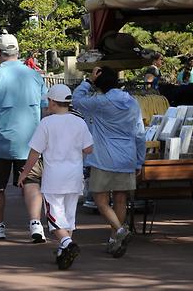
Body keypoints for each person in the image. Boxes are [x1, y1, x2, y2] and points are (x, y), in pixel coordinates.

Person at [0, 33, 48, 241]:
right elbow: (45, 109)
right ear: (17, 52)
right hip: (30, 142)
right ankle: (36, 224)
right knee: (31, 182)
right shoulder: (35, 76)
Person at [18, 84, 94, 270]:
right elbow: (88, 149)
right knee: (68, 217)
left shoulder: (46, 123)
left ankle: (67, 244)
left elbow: (34, 153)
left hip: (54, 178)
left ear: (52, 102)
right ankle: (64, 251)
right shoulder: (79, 122)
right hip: (74, 176)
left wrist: (25, 173)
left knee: (54, 218)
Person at [72, 66, 145, 258]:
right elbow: (139, 134)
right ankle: (114, 240)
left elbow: (77, 100)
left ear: (100, 83)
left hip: (104, 157)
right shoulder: (133, 102)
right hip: (127, 156)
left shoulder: (100, 102)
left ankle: (120, 231)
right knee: (121, 198)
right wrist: (139, 160)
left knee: (100, 199)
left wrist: (88, 81)